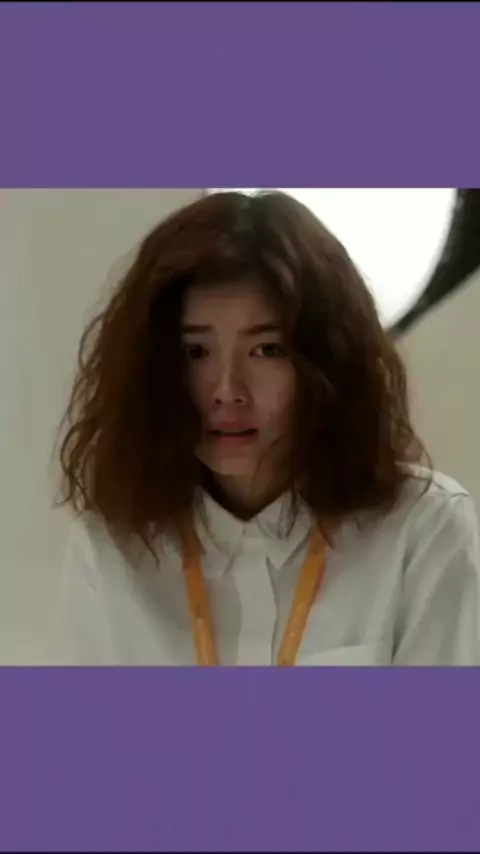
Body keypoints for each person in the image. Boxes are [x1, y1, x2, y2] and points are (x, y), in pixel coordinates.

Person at [52, 190, 480, 666]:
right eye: (196, 352)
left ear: (327, 363)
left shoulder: (424, 533)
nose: (228, 390)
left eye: (267, 350)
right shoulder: (109, 547)